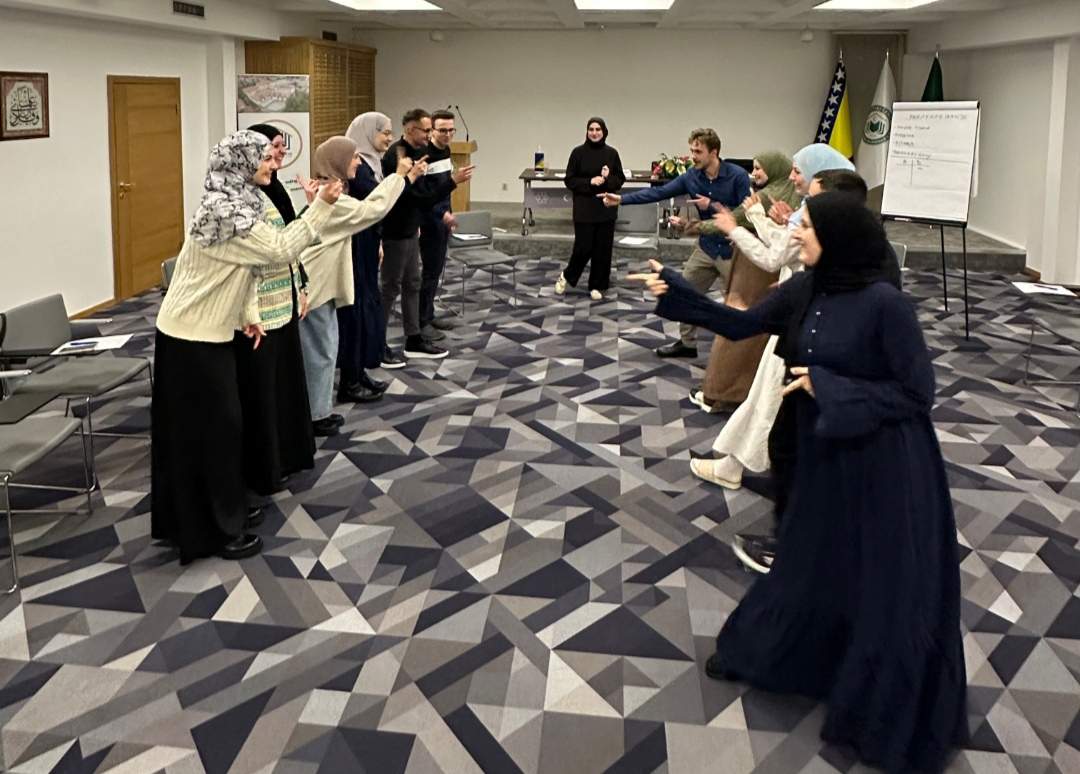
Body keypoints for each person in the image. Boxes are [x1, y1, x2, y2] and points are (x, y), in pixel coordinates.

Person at [631, 192, 966, 773]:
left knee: (877, 577)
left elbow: (917, 394)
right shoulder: (808, 287)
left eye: (806, 226)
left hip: (883, 462)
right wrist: (677, 292)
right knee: (808, 555)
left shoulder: (885, 305)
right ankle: (784, 653)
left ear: (837, 237)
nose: (795, 233)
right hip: (821, 447)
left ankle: (873, 693)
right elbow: (741, 323)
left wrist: (829, 386)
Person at [152, 130, 341, 564]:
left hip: (212, 331)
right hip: (190, 337)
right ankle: (213, 530)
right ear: (240, 163)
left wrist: (248, 313)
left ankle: (223, 510)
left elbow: (244, 271)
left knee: (222, 430)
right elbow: (278, 250)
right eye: (264, 158)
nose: (273, 164)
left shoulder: (239, 201)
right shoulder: (224, 211)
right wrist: (320, 207)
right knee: (214, 432)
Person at [296, 135, 419, 436]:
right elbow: (372, 210)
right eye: (353, 157)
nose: (358, 162)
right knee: (320, 351)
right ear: (338, 162)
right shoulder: (332, 198)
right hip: (315, 287)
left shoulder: (330, 193)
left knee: (325, 348)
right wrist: (399, 177)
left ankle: (318, 411)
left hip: (320, 286)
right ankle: (315, 416)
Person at [600, 128, 750, 358]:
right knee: (683, 291)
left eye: (698, 152)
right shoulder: (692, 176)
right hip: (706, 247)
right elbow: (658, 193)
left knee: (739, 304)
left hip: (733, 251)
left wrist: (711, 205)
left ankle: (743, 354)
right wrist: (621, 199)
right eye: (692, 150)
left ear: (714, 152)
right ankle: (687, 343)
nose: (693, 156)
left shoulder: (737, 176)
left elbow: (747, 213)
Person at [688, 151, 803, 412]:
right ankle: (744, 392)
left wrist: (696, 226)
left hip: (754, 268)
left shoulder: (764, 196)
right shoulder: (797, 196)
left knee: (736, 325)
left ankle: (716, 393)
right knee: (762, 334)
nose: (754, 174)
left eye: (759, 168)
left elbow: (733, 220)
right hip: (775, 274)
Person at [380, 108, 474, 365]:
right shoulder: (398, 156)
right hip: (397, 230)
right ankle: (377, 344)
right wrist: (452, 183)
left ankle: (414, 337)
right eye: (428, 130)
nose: (431, 135)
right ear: (412, 130)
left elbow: (422, 196)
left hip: (412, 228)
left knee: (413, 282)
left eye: (448, 130)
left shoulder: (417, 152)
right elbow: (418, 197)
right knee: (390, 289)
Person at [339, 111, 398, 397]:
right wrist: (404, 179)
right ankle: (351, 379)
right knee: (357, 310)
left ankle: (359, 372)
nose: (389, 138)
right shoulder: (359, 168)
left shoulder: (371, 163)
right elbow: (377, 202)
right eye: (384, 132)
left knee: (365, 307)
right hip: (356, 245)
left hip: (368, 240)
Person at [555, 117, 625, 300]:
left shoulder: (612, 153)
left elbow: (620, 180)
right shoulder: (577, 153)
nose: (594, 133)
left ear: (604, 132)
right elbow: (569, 180)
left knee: (603, 250)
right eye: (591, 129)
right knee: (583, 248)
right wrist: (590, 182)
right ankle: (567, 275)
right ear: (587, 132)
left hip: (606, 208)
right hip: (584, 209)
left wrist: (607, 179)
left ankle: (597, 285)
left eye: (598, 129)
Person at [418, 109, 460, 343]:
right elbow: (424, 195)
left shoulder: (446, 150)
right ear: (432, 130)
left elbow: (445, 190)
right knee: (429, 272)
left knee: (436, 271)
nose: (447, 135)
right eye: (442, 130)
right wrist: (441, 214)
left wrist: (448, 213)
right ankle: (421, 322)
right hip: (429, 221)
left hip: (443, 219)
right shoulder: (425, 155)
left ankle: (429, 314)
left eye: (451, 130)